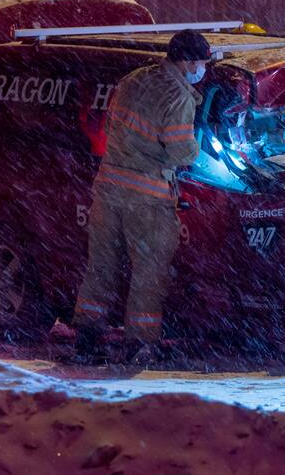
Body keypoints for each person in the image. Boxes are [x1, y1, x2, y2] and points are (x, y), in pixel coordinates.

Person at [72, 29, 209, 364]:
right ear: (187, 61)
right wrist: (200, 148)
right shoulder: (178, 97)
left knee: (101, 265)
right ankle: (139, 342)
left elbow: (108, 128)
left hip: (108, 189)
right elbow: (181, 151)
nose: (202, 70)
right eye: (202, 63)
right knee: (149, 271)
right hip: (147, 198)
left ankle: (87, 336)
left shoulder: (133, 80)